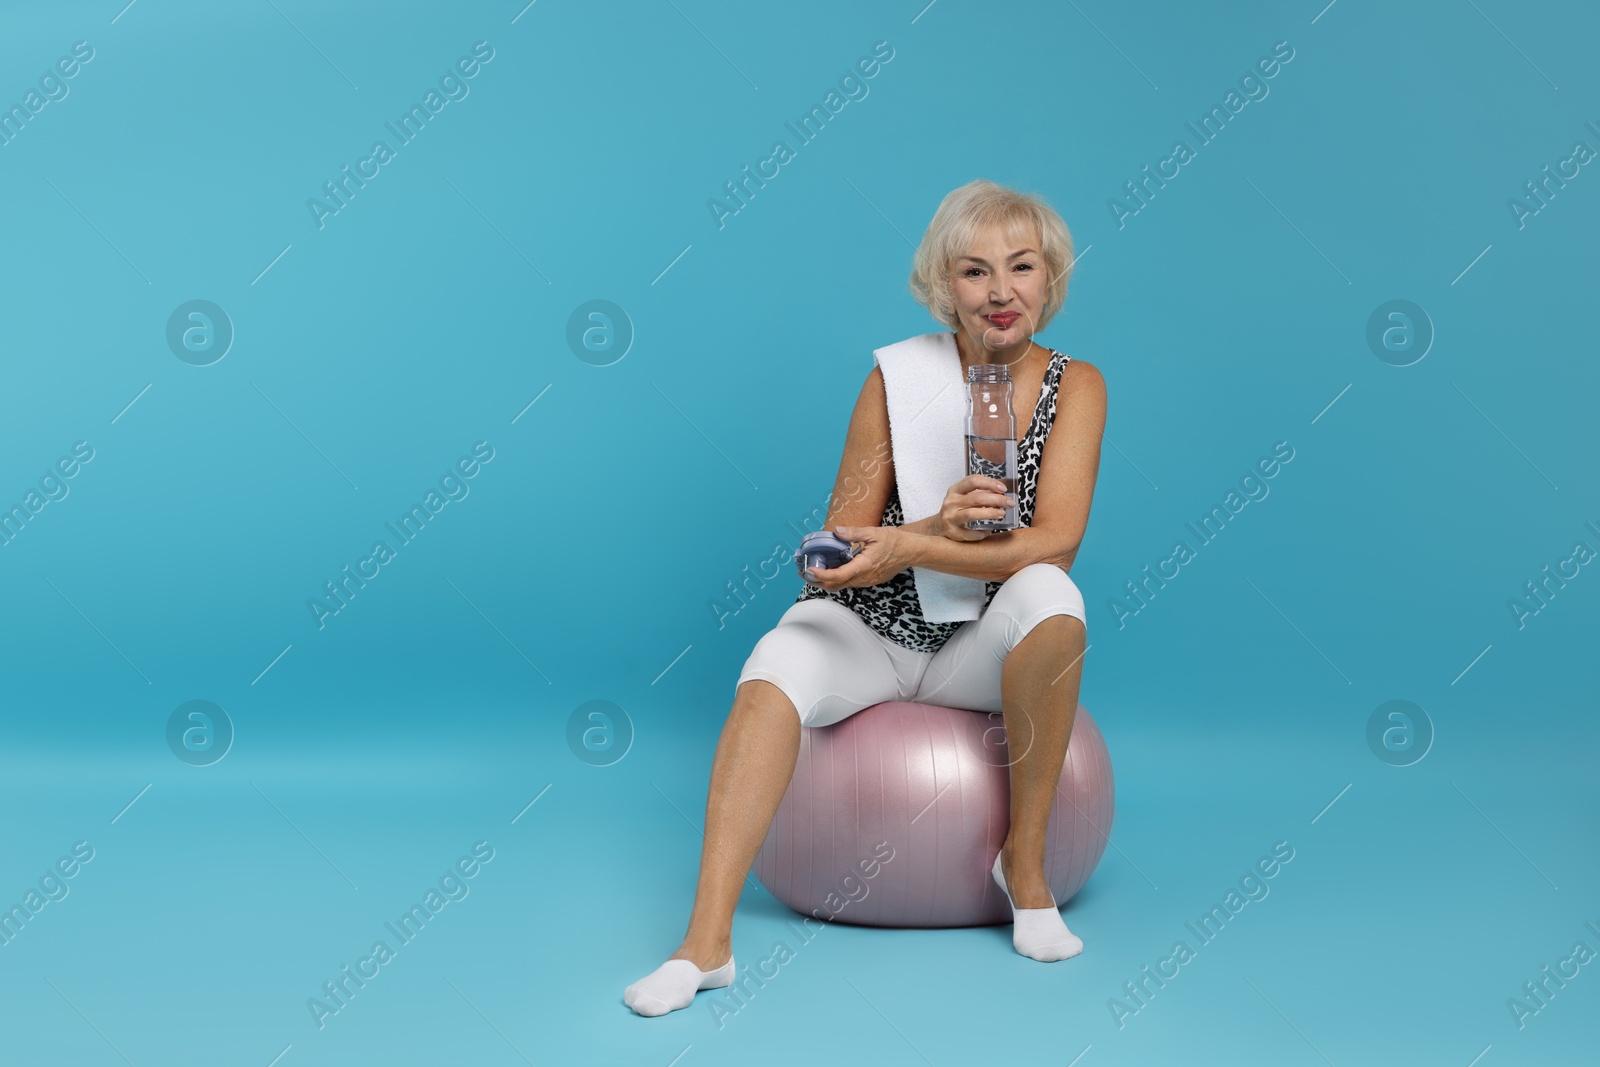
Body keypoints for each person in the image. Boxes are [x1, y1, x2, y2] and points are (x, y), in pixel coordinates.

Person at [624, 179, 1106, 1017]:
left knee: (1055, 593)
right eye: (975, 272)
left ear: (1050, 278)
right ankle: (706, 943)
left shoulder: (1078, 386)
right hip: (875, 634)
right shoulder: (897, 379)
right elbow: (830, 553)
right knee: (774, 661)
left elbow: (1057, 540)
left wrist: (927, 542)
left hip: (976, 649)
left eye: (1021, 267)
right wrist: (930, 524)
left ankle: (1022, 865)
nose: (1001, 292)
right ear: (942, 285)